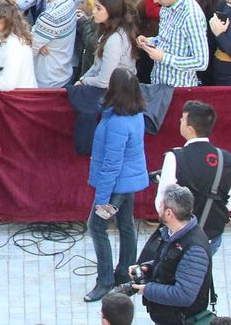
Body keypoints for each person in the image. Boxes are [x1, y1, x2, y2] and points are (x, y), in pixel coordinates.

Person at [84, 69, 148, 302]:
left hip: (116, 186)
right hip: (127, 181)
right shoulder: (135, 114)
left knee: (96, 227)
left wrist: (102, 198)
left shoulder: (117, 123)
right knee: (126, 225)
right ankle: (125, 274)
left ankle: (105, 281)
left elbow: (111, 165)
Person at [154, 100, 231, 254]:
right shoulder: (227, 158)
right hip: (211, 236)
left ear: (190, 129)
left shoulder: (175, 157)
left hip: (181, 238)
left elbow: (162, 203)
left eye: (183, 119)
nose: (180, 121)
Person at [131, 185, 215, 324]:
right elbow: (171, 261)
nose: (158, 208)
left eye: (161, 205)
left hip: (181, 320)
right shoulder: (173, 232)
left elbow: (183, 295)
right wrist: (148, 268)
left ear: (169, 213)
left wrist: (147, 290)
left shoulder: (195, 249)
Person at [138, 0, 208, 87]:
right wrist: (149, 41)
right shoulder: (166, 6)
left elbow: (201, 62)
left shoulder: (191, 15)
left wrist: (164, 58)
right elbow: (168, 41)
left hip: (179, 88)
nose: (154, 1)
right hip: (159, 83)